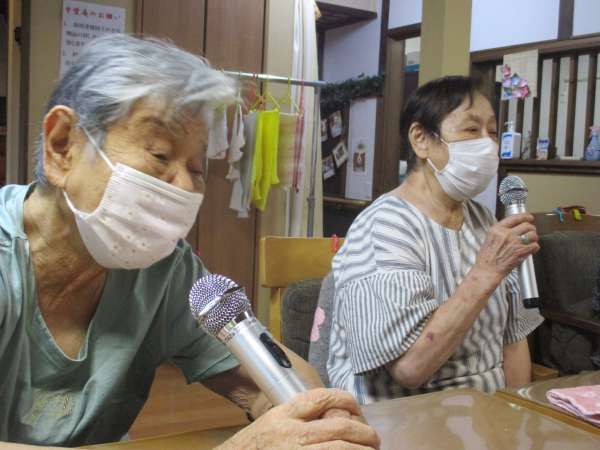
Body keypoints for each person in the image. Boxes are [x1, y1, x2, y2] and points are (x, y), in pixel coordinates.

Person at [0, 35, 380, 450]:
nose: (183, 186)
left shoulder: (165, 271)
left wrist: (319, 418)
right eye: (160, 155)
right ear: (62, 147)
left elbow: (258, 385)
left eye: (198, 168)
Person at [326, 76, 544, 405]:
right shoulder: (386, 226)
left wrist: (517, 413)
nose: (488, 145)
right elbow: (409, 369)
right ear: (421, 139)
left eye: (492, 132)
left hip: (487, 414)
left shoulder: (484, 219)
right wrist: (487, 271)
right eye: (471, 129)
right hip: (403, 415)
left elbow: (513, 340)